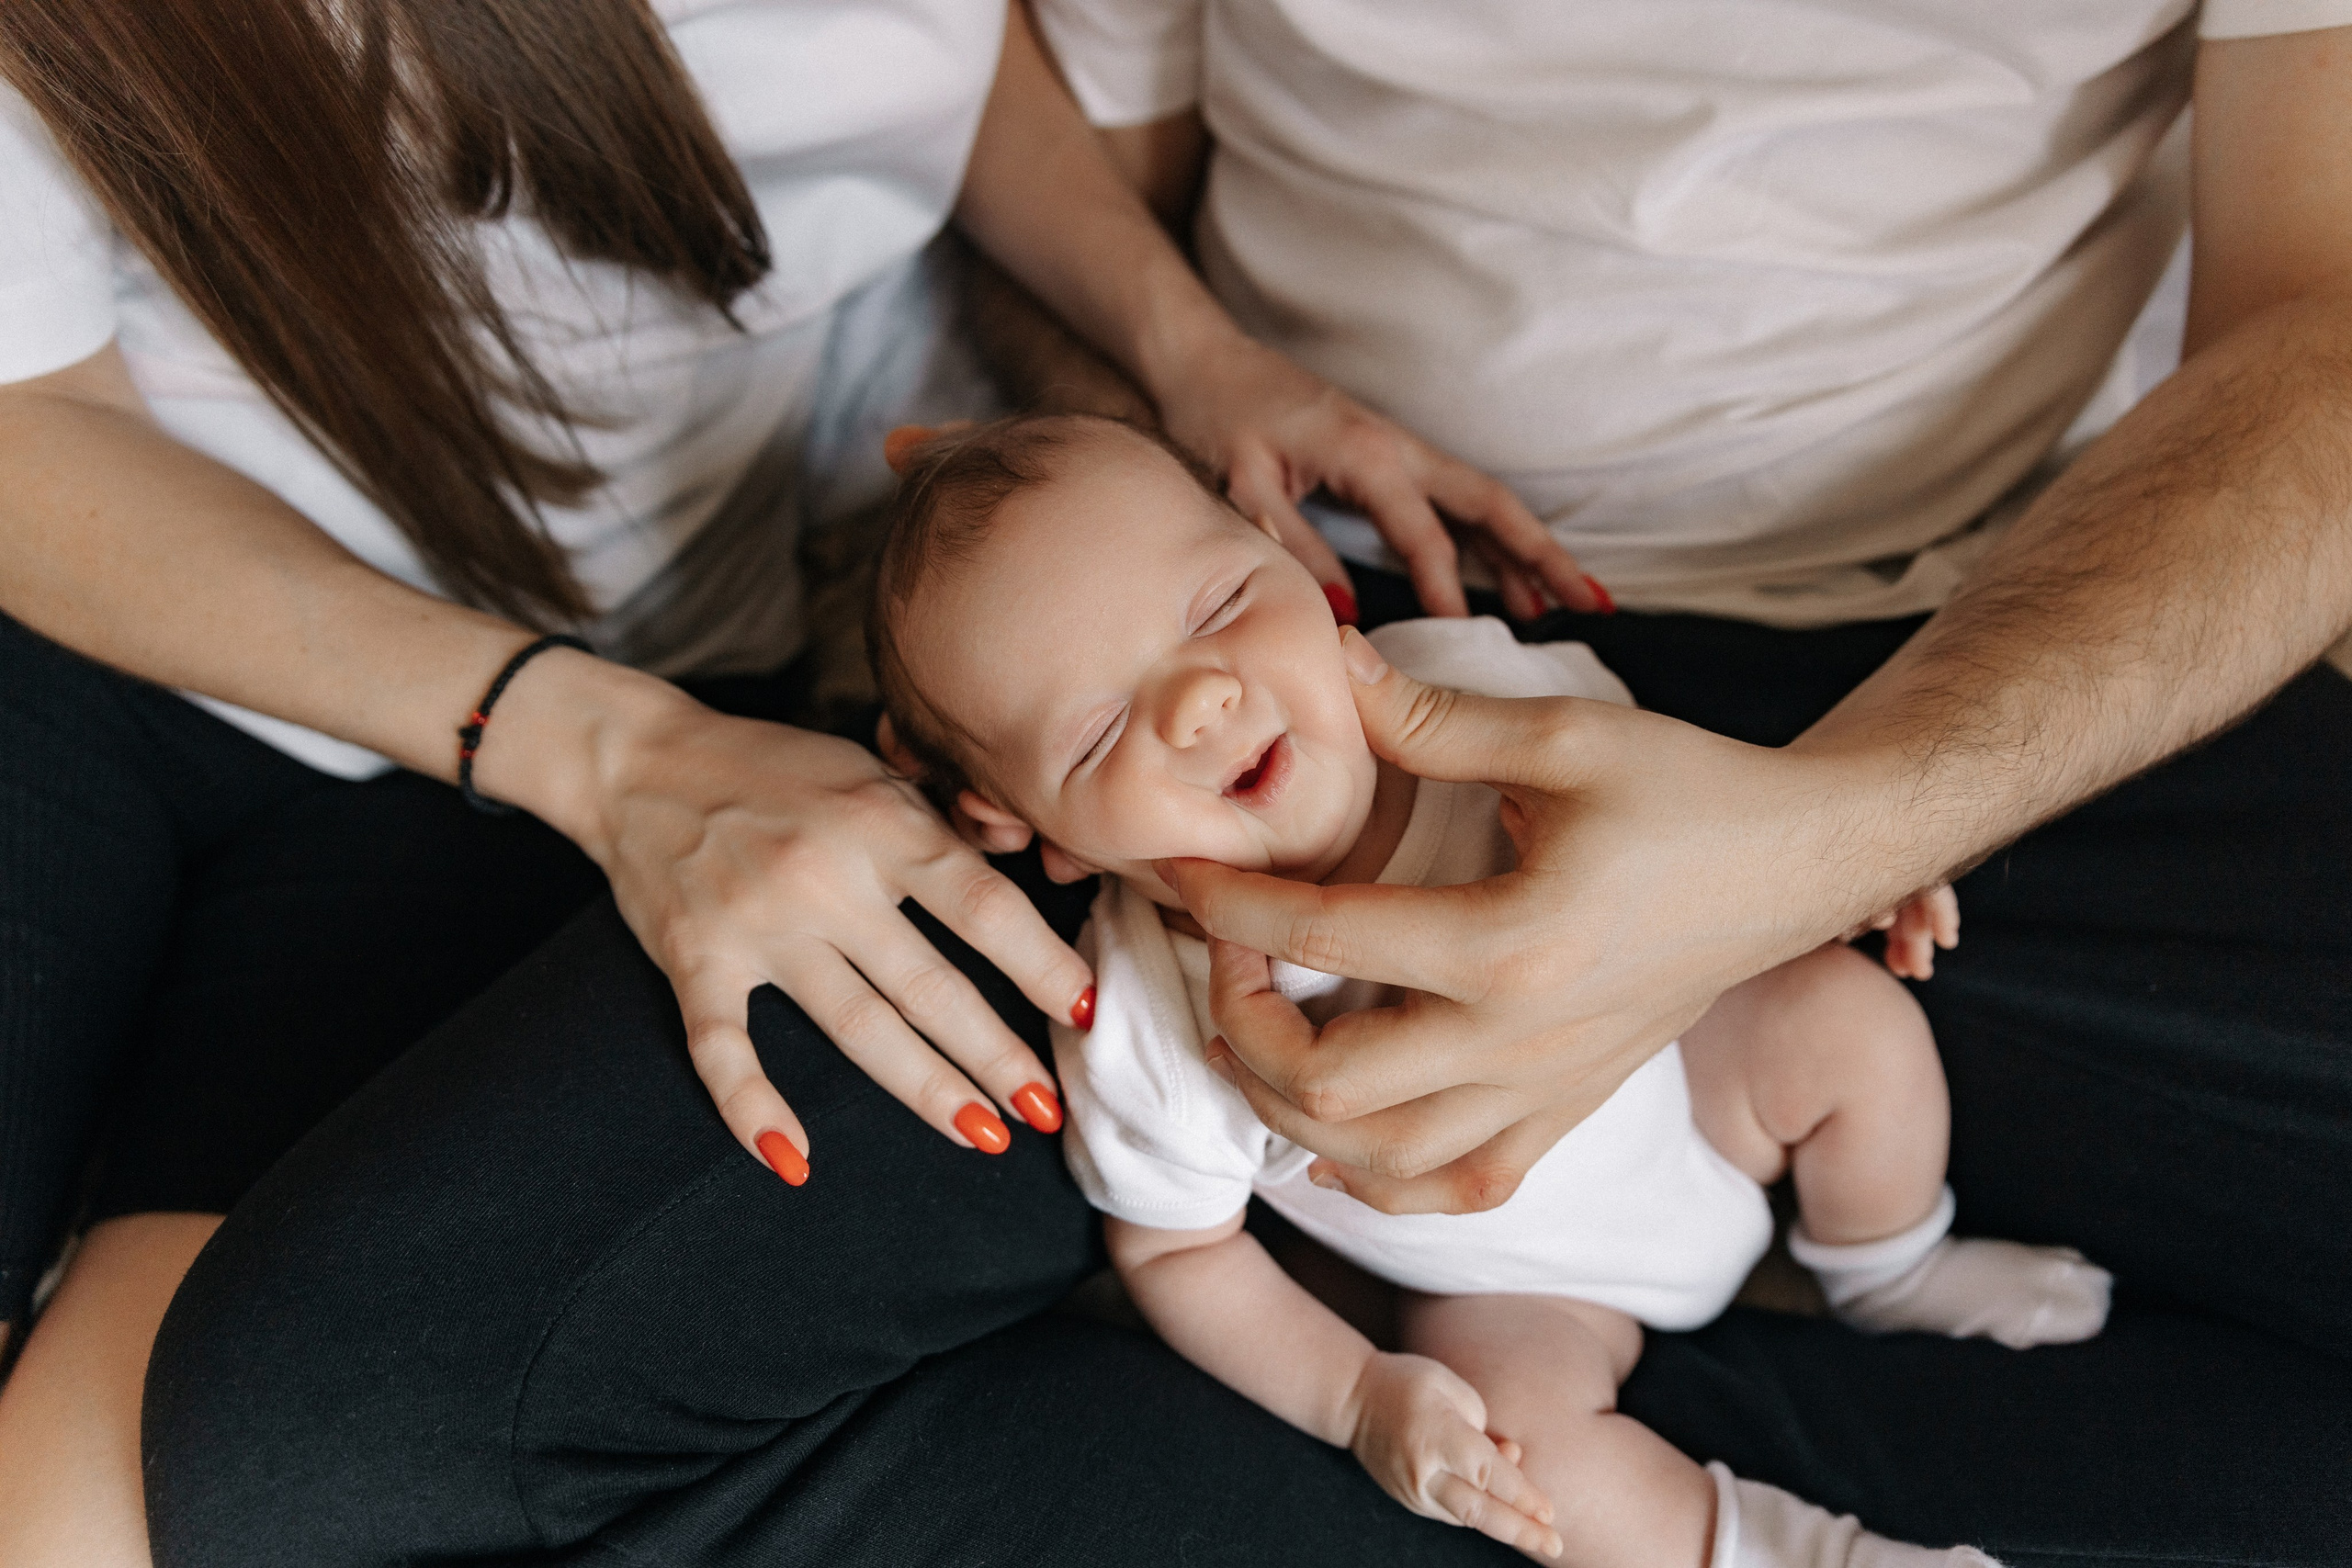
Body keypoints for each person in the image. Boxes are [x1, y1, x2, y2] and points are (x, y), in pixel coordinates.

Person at [0, 3, 1566, 1560]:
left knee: (94, 1503)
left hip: (542, 713)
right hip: (140, 607)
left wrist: (1184, 342)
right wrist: (611, 754)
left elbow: (931, 66)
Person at [863, 411, 2111, 1567]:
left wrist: (1828, 870)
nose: (1201, 699)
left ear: (1280, 546)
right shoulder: (1146, 1018)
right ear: (1029, 830)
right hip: (1513, 1290)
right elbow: (1179, 1253)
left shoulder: (1477, 689)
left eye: (1223, 602)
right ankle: (1809, 1556)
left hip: (1697, 1076)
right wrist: (1359, 1396)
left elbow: (1687, 828)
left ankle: (1889, 1263)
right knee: (1528, 1463)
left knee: (1849, 1027)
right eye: (1095, 737)